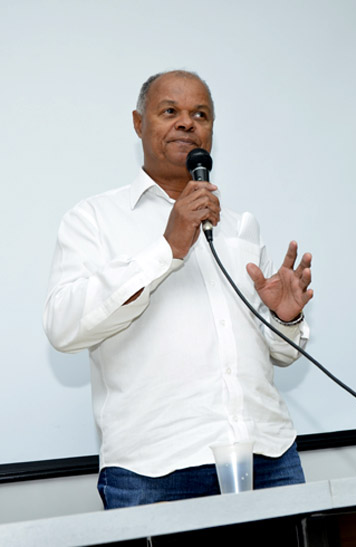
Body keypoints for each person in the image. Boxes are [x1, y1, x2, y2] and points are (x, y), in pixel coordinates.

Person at [43, 70, 314, 508]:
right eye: (170, 111)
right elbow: (63, 328)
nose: (187, 123)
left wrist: (283, 318)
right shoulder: (93, 219)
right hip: (155, 470)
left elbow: (281, 354)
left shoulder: (241, 226)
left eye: (200, 114)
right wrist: (166, 248)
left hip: (267, 457)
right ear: (138, 124)